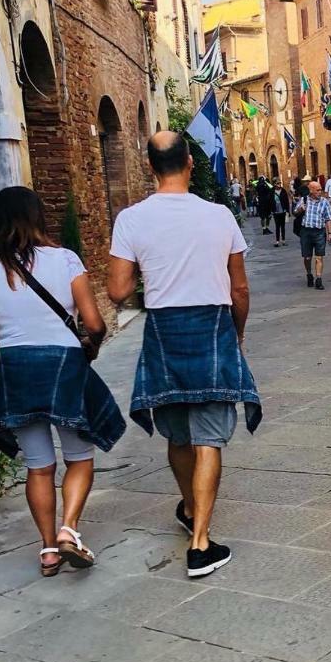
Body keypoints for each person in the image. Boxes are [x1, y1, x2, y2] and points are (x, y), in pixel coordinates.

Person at [108, 132, 261, 579]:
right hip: (213, 327)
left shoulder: (131, 219)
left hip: (163, 331)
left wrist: (153, 283)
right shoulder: (218, 215)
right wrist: (238, 333)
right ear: (190, 163)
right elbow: (240, 288)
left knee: (177, 434)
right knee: (208, 438)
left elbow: (117, 290)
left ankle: (193, 511)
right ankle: (200, 544)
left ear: (149, 166)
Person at [0, 187, 123, 576]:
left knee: (38, 466)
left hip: (14, 367)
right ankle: (69, 529)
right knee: (80, 456)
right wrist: (92, 347)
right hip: (64, 364)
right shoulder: (64, 259)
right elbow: (94, 323)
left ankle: (48, 550)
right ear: (39, 217)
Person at [294, 180, 331, 289]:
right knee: (307, 257)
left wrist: (329, 233)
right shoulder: (304, 200)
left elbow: (329, 218)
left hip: (319, 232)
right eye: (318, 190)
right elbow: (295, 212)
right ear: (311, 191)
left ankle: (319, 279)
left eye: (320, 189)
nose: (320, 192)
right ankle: (309, 274)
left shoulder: (324, 202)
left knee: (319, 257)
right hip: (306, 231)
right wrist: (300, 209)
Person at [271, 177, 291, 247]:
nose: (279, 184)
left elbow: (286, 201)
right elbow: (270, 201)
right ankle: (277, 241)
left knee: (283, 226)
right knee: (277, 226)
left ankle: (283, 240)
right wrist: (271, 210)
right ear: (274, 184)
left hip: (283, 210)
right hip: (275, 211)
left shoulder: (283, 191)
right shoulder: (272, 191)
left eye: (280, 183)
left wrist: (288, 211)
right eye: (277, 183)